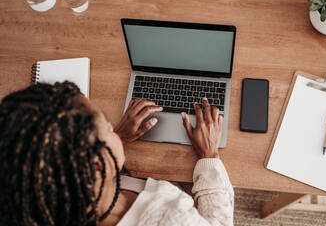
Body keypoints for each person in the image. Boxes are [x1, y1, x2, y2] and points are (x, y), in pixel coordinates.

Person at [0, 81, 234, 226]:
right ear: (99, 166)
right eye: (110, 128)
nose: (116, 128)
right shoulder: (173, 220)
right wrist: (209, 155)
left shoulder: (46, 202)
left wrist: (111, 141)